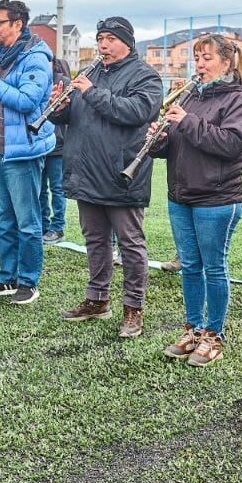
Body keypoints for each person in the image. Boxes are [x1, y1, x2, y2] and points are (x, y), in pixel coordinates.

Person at [52, 17, 162, 338]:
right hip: (86, 174)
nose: (103, 45)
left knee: (130, 244)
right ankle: (97, 299)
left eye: (110, 39)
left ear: (127, 41)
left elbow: (136, 112)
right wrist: (58, 108)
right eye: (100, 38)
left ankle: (133, 308)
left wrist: (92, 93)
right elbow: (74, 116)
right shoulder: (91, 73)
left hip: (121, 175)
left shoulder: (146, 76)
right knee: (95, 241)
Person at [153, 33, 242, 365]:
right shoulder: (191, 97)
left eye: (207, 58)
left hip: (217, 197)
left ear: (226, 62)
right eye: (197, 58)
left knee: (214, 267)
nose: (200, 64)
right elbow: (176, 146)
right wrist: (157, 140)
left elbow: (233, 145)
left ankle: (214, 335)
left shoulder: (238, 99)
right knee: (190, 267)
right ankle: (193, 329)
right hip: (181, 195)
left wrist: (188, 121)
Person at [0, 0, 56, 305]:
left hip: (23, 149)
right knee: (4, 218)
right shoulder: (0, 55)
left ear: (17, 24)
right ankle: (6, 277)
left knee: (28, 221)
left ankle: (28, 281)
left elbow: (26, 101)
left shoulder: (36, 58)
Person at [39, 56, 71, 244]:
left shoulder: (63, 81)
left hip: (58, 145)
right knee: (41, 189)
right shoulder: (36, 78)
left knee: (57, 188)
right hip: (40, 144)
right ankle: (43, 226)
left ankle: (57, 228)